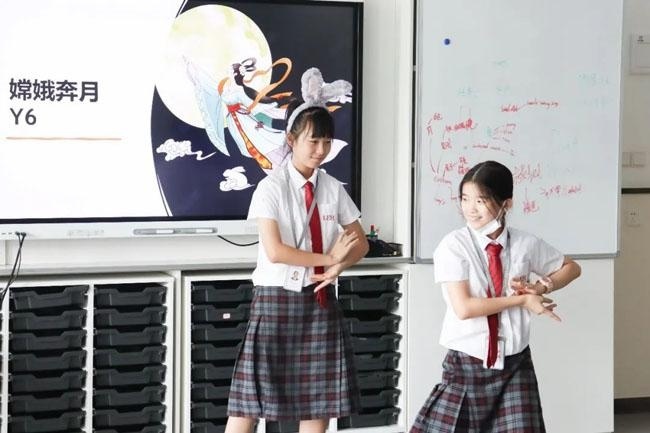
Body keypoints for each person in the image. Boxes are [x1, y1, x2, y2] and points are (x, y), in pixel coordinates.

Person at [225, 67, 368, 433]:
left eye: (327, 142)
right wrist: (329, 258)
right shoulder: (271, 188)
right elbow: (276, 251)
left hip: (319, 299)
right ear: (291, 139)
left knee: (319, 401)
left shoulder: (332, 187)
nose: (321, 151)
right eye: (313, 141)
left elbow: (361, 242)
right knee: (250, 401)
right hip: (276, 298)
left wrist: (337, 267)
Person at [411, 160, 581, 433]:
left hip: (515, 364)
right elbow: (464, 308)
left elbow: (571, 268)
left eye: (481, 200)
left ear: (506, 204)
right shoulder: (453, 246)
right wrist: (522, 300)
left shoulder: (525, 243)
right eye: (465, 199)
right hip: (466, 364)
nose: (470, 209)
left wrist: (540, 287)